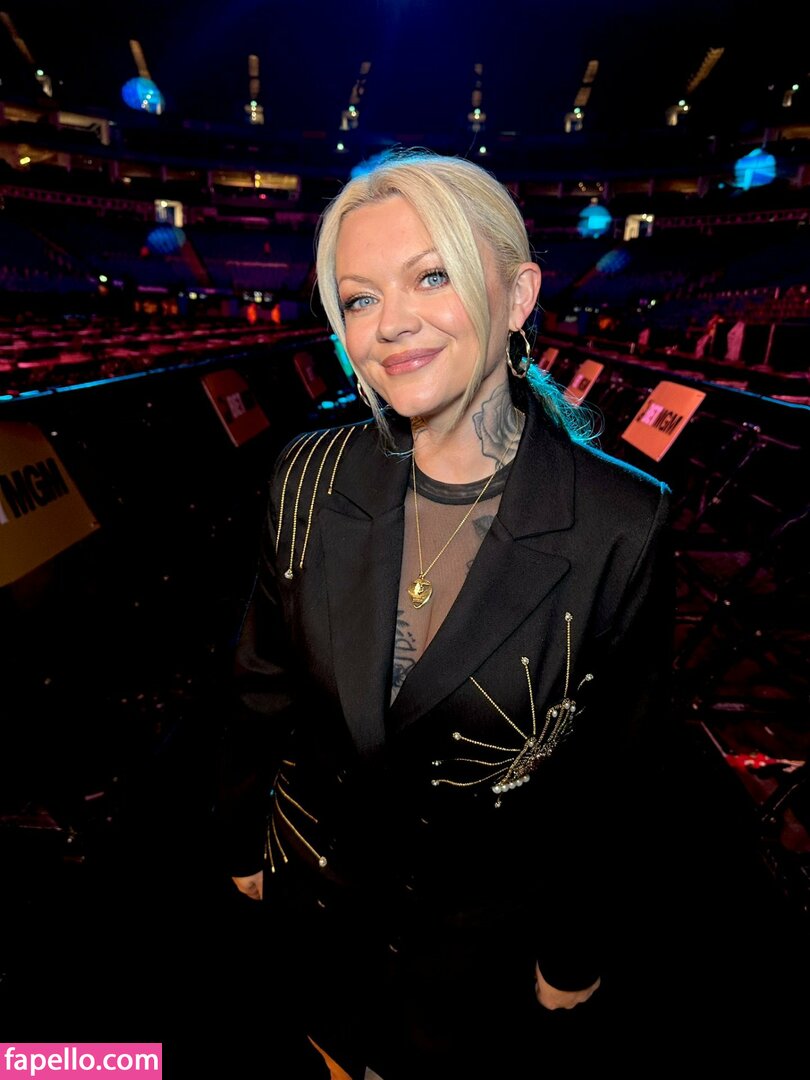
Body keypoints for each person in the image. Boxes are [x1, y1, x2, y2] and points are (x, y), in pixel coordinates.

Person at [217, 149, 673, 1078]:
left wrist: (571, 951)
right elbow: (258, 687)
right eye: (359, 298)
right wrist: (242, 842)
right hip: (319, 904)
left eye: (431, 276)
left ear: (518, 296)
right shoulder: (308, 474)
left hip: (476, 953)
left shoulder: (623, 521)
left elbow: (612, 778)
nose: (391, 323)